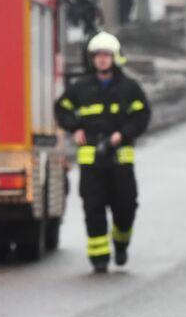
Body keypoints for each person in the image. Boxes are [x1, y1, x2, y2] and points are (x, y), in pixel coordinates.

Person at [55, 32, 151, 273]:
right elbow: (62, 109)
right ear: (92, 59)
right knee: (93, 209)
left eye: (106, 55)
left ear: (115, 57)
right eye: (97, 55)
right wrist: (74, 127)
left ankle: (121, 243)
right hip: (91, 163)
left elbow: (142, 115)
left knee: (126, 207)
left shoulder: (129, 87)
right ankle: (99, 257)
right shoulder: (80, 88)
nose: (102, 60)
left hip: (120, 161)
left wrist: (124, 134)